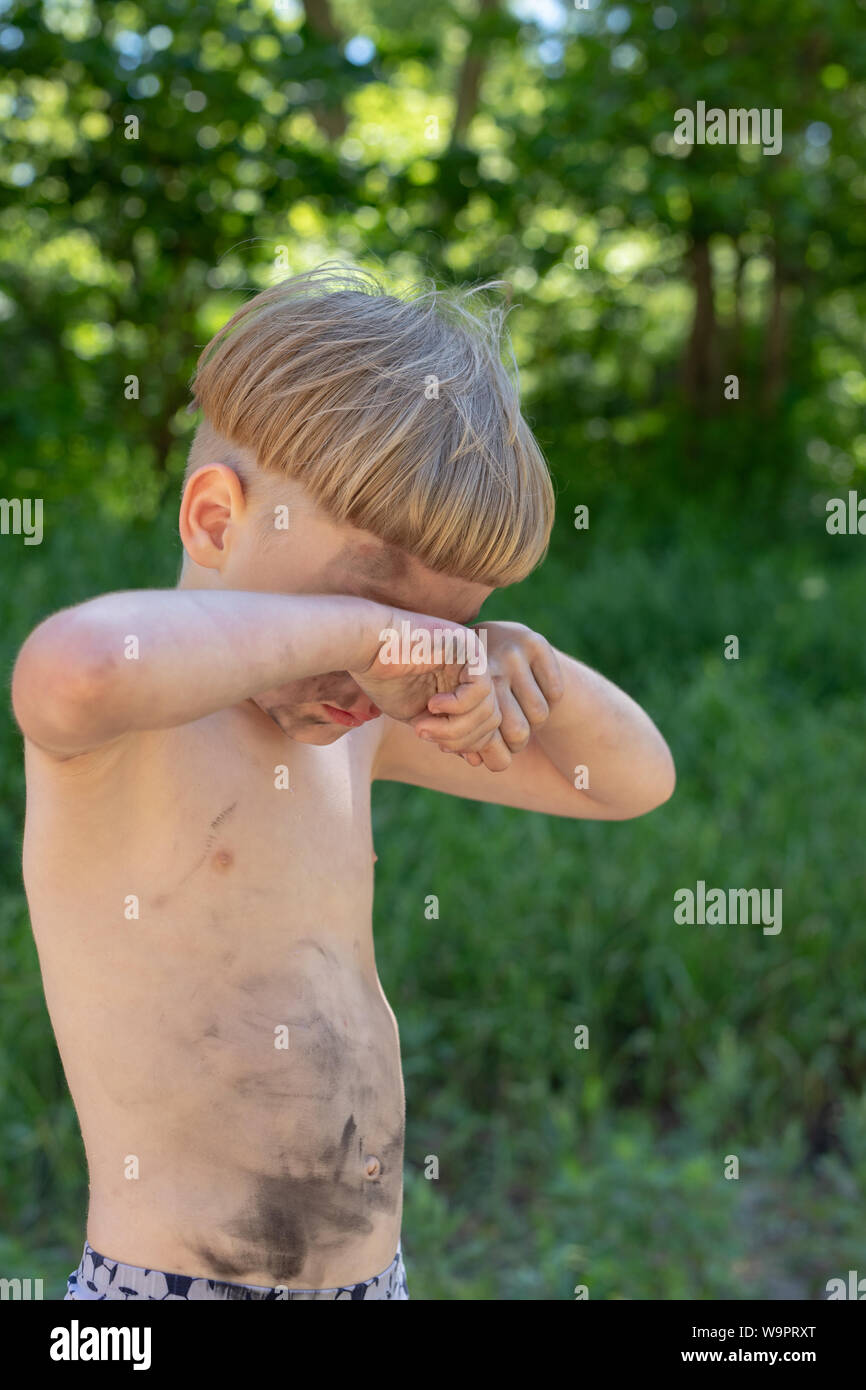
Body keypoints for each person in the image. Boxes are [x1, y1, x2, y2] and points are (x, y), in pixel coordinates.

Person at [12, 266, 675, 1301]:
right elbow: (75, 662)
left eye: (435, 628)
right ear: (218, 521)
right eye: (372, 610)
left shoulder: (355, 731)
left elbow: (629, 779)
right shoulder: (132, 724)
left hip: (370, 1282)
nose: (393, 664)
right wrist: (375, 635)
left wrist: (505, 653)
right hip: (166, 1290)